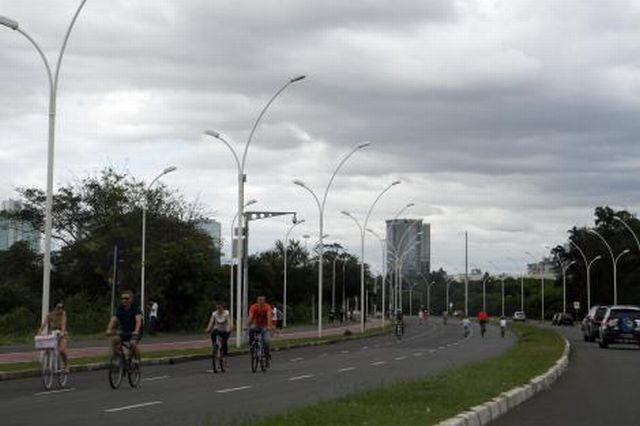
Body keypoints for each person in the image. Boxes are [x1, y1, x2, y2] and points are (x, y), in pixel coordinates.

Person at [106, 290, 143, 360]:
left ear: (131, 299)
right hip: (124, 331)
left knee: (132, 343)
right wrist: (109, 329)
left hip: (134, 331)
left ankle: (137, 360)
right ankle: (118, 358)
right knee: (114, 340)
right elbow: (114, 319)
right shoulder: (120, 308)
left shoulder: (135, 308)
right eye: (122, 298)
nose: (124, 300)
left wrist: (136, 331)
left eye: (126, 298)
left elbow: (138, 320)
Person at [38, 302, 69, 371]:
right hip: (53, 333)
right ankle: (48, 365)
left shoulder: (63, 314)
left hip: (62, 334)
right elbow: (44, 324)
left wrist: (62, 332)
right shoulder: (50, 315)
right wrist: (39, 333)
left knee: (61, 350)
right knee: (48, 348)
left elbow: (63, 324)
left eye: (61, 309)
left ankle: (66, 365)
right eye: (58, 308)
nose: (59, 310)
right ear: (55, 308)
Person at [246, 295, 273, 363]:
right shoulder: (253, 307)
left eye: (262, 300)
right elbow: (250, 316)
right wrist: (246, 325)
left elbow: (269, 316)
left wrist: (269, 327)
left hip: (265, 326)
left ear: (264, 301)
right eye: (259, 300)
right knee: (251, 331)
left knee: (266, 341)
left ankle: (267, 356)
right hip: (256, 325)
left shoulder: (267, 307)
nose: (261, 301)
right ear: (257, 300)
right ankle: (252, 346)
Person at [205, 303, 232, 367]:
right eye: (217, 308)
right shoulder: (214, 314)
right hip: (217, 329)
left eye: (220, 308)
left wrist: (229, 328)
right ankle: (215, 347)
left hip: (225, 330)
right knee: (213, 333)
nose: (218, 310)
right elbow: (211, 322)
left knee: (224, 343)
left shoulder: (226, 313)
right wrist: (208, 329)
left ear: (223, 308)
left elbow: (229, 322)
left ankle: (225, 359)